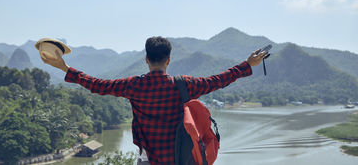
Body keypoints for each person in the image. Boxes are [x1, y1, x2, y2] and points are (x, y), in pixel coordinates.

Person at [41, 36, 267, 165]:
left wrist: (64, 67)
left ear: (147, 59)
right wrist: (246, 65)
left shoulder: (134, 85)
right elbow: (218, 80)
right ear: (169, 60)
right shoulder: (184, 84)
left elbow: (98, 85)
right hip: (180, 159)